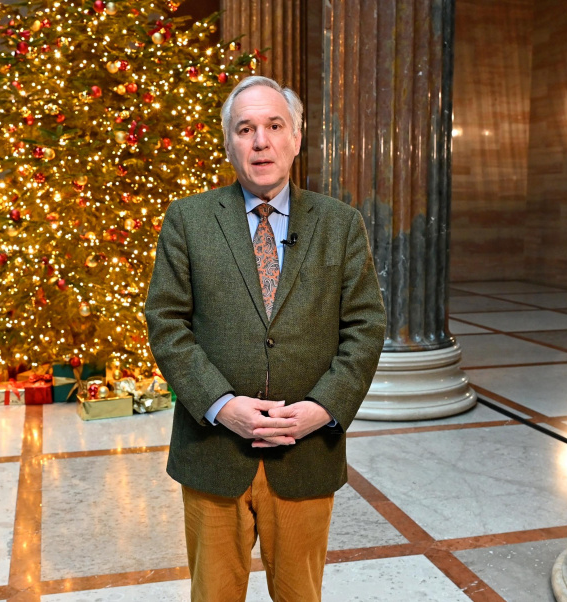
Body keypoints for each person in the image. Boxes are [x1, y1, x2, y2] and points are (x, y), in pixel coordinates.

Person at [144, 76, 386, 602]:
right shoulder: (187, 220)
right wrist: (221, 405)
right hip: (212, 454)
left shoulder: (341, 224)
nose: (261, 142)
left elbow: (366, 327)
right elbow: (166, 322)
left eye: (275, 126)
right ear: (228, 142)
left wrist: (324, 408)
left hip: (306, 455)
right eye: (245, 129)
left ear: (296, 138)